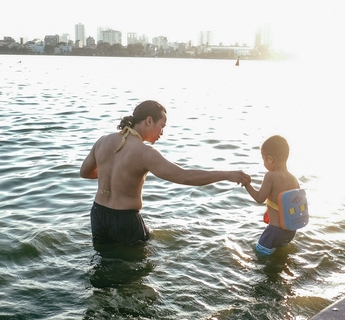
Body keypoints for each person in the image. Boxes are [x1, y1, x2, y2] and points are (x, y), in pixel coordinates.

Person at [80, 100, 251, 245]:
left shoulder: (103, 141)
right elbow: (185, 177)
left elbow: (84, 172)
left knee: (103, 265)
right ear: (149, 120)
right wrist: (227, 174)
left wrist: (111, 176)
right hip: (125, 221)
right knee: (134, 276)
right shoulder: (145, 153)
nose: (162, 132)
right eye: (162, 126)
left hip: (98, 214)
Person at [244, 135, 301, 255]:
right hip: (290, 231)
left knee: (259, 255)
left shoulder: (270, 176)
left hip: (273, 231)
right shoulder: (294, 179)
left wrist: (247, 185)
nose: (264, 162)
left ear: (270, 159)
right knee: (280, 257)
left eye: (263, 159)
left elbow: (260, 198)